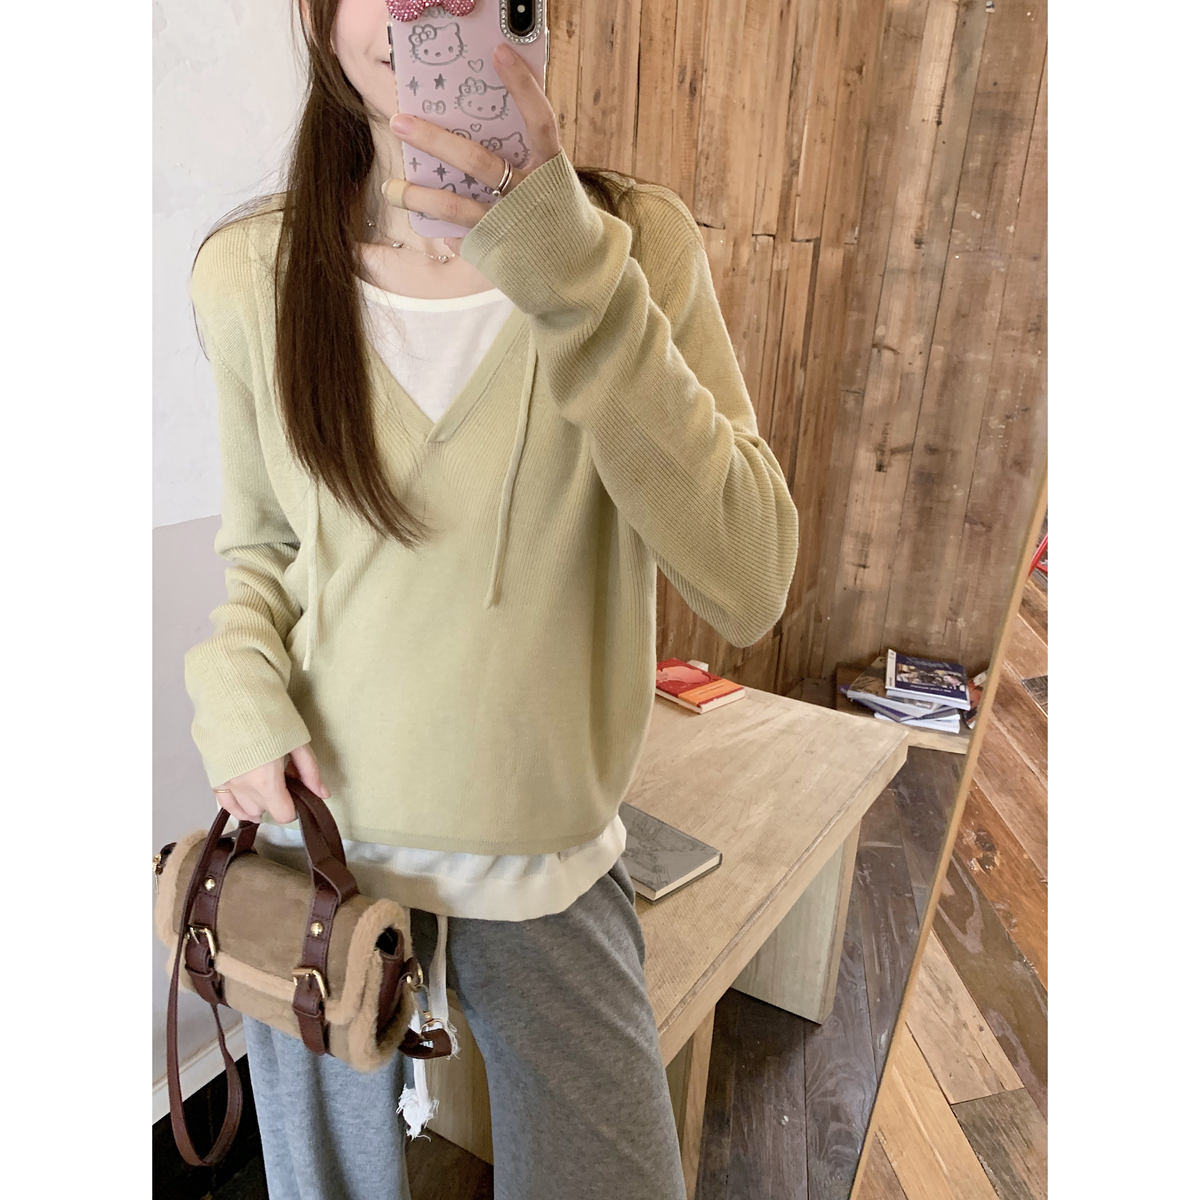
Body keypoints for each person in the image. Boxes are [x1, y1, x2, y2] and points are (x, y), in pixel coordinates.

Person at [183, 1, 799, 1197]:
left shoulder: (633, 246)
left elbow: (749, 578)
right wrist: (234, 689)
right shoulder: (251, 272)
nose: (423, 9)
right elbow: (261, 546)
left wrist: (567, 268)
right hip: (319, 859)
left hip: (549, 864)